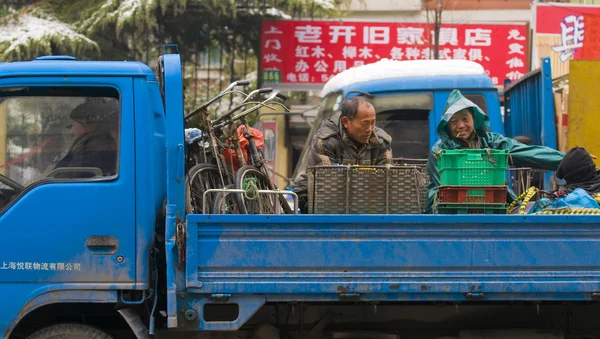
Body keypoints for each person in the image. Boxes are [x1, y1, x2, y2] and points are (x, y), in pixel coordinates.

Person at [426, 89, 565, 213]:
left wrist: (565, 160)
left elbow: (526, 152)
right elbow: (445, 192)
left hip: (492, 205)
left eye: (465, 119)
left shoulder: (490, 141)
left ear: (474, 119)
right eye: (454, 122)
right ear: (447, 126)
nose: (461, 125)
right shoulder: (439, 151)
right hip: (451, 213)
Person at [294, 96, 393, 214]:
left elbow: (386, 181)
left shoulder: (381, 141)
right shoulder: (326, 140)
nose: (369, 129)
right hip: (325, 198)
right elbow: (328, 184)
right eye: (365, 123)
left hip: (367, 200)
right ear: (346, 122)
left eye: (373, 123)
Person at [54, 100, 118, 178]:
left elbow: (71, 175)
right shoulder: (87, 141)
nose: (71, 130)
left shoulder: (96, 146)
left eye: (74, 123)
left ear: (86, 124)